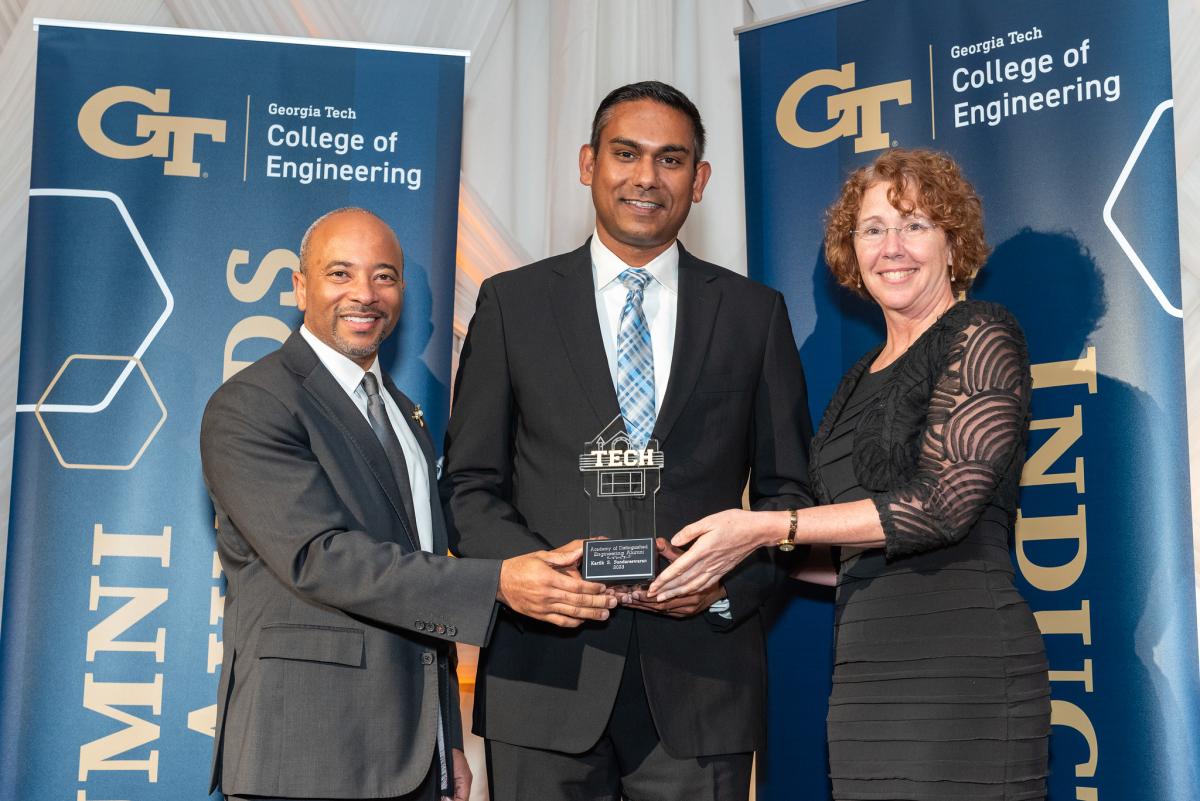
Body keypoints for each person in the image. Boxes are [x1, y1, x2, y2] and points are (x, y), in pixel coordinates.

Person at [441, 81, 813, 801]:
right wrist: (532, 577)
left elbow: (787, 496)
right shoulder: (512, 304)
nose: (647, 177)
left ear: (699, 181)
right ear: (588, 163)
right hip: (543, 674)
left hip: (703, 683)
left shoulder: (752, 314)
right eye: (626, 154)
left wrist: (720, 589)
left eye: (671, 160)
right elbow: (469, 483)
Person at [648, 148, 1052, 801]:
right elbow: (838, 550)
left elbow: (941, 505)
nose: (892, 246)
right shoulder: (857, 380)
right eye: (872, 228)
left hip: (963, 670)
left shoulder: (980, 333)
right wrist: (707, 568)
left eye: (915, 224)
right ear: (851, 251)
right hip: (865, 681)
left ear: (954, 243)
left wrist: (764, 525)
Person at [200, 207, 615, 801]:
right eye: (340, 273)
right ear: (299, 285)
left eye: (384, 276)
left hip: (411, 755)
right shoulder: (252, 404)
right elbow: (321, 557)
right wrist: (498, 582)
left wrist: (444, 739)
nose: (364, 295)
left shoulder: (404, 412)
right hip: (305, 751)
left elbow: (420, 579)